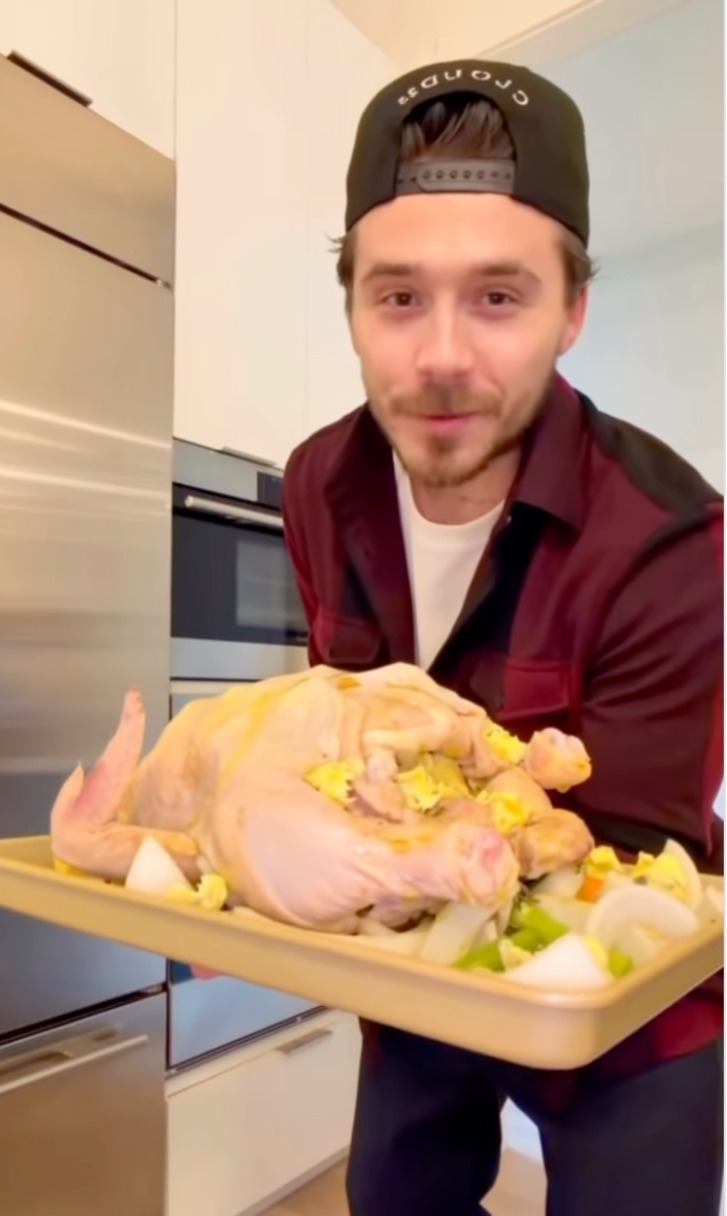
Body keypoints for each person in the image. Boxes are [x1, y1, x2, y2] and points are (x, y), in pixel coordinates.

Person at [281, 59, 724, 1216]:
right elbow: (326, 730)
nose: (437, 357)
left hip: (620, 1003)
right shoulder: (317, 485)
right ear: (350, 308)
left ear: (571, 309)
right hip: (414, 966)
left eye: (495, 296)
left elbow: (619, 856)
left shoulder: (675, 536)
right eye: (396, 297)